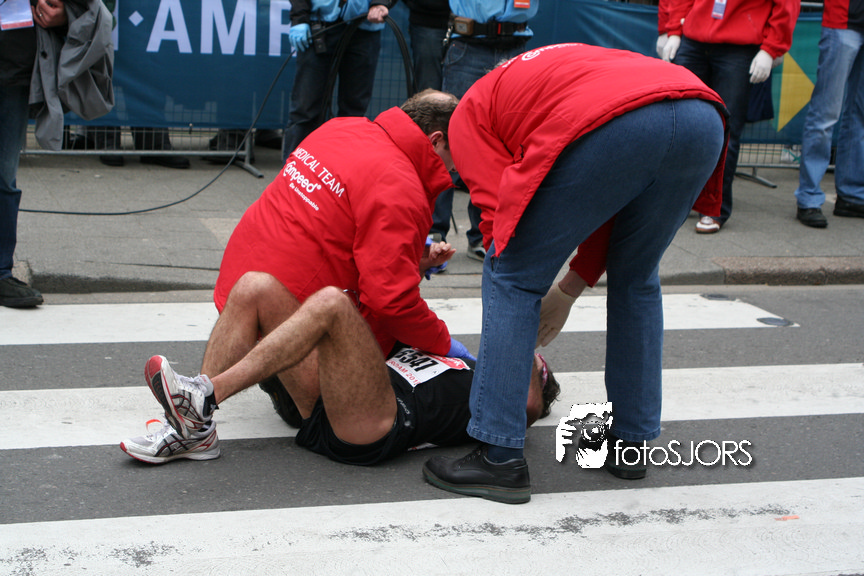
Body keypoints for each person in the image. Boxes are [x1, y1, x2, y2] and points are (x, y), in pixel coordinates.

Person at [421, 43, 728, 504]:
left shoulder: (469, 114)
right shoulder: (552, 72)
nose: (451, 173)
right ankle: (631, 444)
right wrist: (567, 289)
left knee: (510, 275)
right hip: (701, 113)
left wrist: (524, 286)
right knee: (637, 277)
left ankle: (499, 457)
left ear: (439, 138)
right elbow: (607, 205)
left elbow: (499, 215)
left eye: (448, 166)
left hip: (620, 120)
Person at [205, 90, 470, 413]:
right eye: (457, 154)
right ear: (436, 140)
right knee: (416, 380)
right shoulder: (400, 185)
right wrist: (444, 343)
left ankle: (197, 403)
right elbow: (391, 302)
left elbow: (336, 234)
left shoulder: (340, 128)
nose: (456, 169)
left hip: (243, 312)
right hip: (298, 345)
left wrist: (413, 262)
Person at [120, 286, 561, 465]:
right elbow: (387, 320)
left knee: (332, 303)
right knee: (256, 286)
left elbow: (528, 403)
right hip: (340, 400)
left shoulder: (500, 407)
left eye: (538, 367)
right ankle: (195, 428)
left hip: (377, 425)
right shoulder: (460, 362)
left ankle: (204, 395)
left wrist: (526, 334)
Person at [1, 0, 113, 308]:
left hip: (13, 67)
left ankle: (0, 273)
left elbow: (102, 9)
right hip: (14, 64)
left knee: (3, 177)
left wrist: (67, 14)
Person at [661, 0, 798, 233]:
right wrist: (673, 30)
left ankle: (714, 207)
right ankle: (673, 200)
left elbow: (787, 5)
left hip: (737, 47)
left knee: (726, 130)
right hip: (693, 40)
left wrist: (770, 48)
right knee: (680, 124)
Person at [428, 0, 540, 263]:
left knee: (504, 142)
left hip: (515, 45)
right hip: (469, 45)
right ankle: (434, 237)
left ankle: (485, 235)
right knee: (449, 136)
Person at [281, 0, 393, 162]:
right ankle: (293, 170)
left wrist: (380, 3)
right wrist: (299, 18)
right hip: (319, 24)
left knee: (353, 113)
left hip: (365, 27)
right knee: (305, 108)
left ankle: (344, 171)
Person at [793, 0, 864, 228]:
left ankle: (852, 195)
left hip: (847, 21)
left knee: (858, 116)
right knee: (825, 114)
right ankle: (809, 196)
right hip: (842, 21)